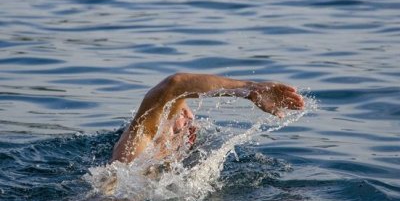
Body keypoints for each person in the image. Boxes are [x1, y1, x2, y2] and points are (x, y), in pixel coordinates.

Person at [111, 73, 304, 163]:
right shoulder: (135, 148)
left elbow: (174, 88)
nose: (186, 114)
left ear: (189, 137)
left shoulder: (135, 159)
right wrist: (250, 88)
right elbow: (175, 85)